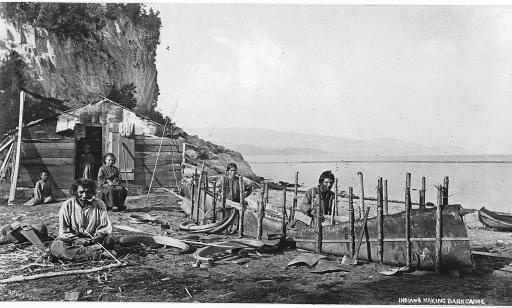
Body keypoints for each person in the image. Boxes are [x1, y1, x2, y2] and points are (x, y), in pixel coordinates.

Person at [49, 178, 114, 261]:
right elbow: (64, 232)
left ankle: (82, 253)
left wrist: (99, 235)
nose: (84, 195)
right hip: (73, 241)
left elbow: (105, 227)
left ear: (92, 192)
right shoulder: (67, 205)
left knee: (109, 241)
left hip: (93, 240)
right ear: (75, 192)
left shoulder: (99, 204)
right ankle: (99, 254)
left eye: (88, 192)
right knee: (57, 246)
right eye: (81, 192)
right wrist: (78, 240)